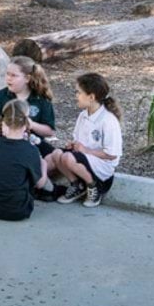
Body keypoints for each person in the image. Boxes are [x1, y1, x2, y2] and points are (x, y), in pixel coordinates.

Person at [45, 73, 123, 209]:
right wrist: (73, 145)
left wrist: (85, 150)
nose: (76, 95)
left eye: (79, 92)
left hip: (102, 166)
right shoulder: (83, 115)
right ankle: (77, 186)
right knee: (57, 153)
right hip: (85, 159)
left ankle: (94, 187)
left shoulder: (108, 120)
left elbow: (112, 154)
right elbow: (79, 142)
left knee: (68, 157)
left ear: (91, 97)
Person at [0, 55, 58, 188]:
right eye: (7, 74)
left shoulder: (41, 99)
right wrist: (11, 123)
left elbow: (49, 131)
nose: (8, 78)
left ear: (27, 78)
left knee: (57, 157)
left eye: (14, 75)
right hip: (6, 141)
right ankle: (26, 182)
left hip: (33, 142)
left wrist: (31, 124)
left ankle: (29, 181)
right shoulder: (1, 96)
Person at [0, 102, 44, 222]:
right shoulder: (30, 150)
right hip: (20, 210)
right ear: (26, 125)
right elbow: (40, 184)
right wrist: (44, 165)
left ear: (4, 123)